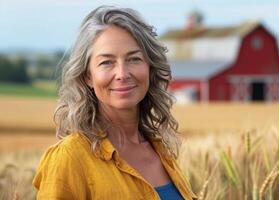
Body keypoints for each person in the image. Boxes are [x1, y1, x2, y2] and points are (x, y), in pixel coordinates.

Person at [33, 5, 197, 200]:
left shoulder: (161, 152)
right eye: (106, 62)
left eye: (134, 59)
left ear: (149, 67)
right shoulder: (69, 159)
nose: (122, 74)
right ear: (88, 76)